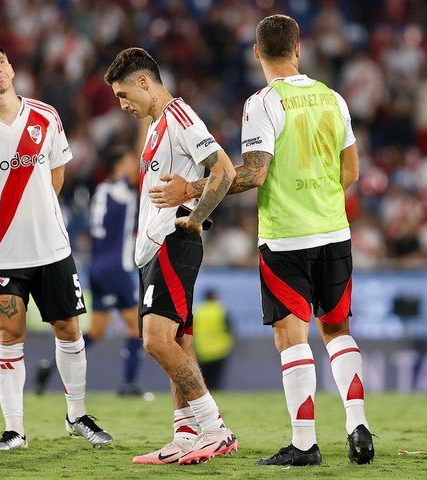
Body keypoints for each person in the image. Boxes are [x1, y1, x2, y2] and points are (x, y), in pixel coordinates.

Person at [149, 14, 374, 466]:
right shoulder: (333, 98)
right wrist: (318, 197)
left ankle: (305, 444)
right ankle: (357, 423)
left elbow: (253, 173)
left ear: (256, 53)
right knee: (337, 331)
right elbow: (350, 172)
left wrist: (192, 190)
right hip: (334, 231)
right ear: (298, 49)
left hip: (286, 237)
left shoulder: (263, 103)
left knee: (292, 339)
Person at [0, 40, 112, 451]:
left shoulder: (46, 117)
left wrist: (36, 217)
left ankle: (77, 415)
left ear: (12, 69)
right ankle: (14, 429)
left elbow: (56, 177)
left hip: (52, 248)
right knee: (9, 333)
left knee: (69, 329)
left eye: (1, 62)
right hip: (4, 253)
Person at [104, 47, 238, 465]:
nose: (123, 105)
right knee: (179, 341)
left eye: (125, 95)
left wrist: (196, 217)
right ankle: (183, 434)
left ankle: (215, 428)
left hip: (172, 241)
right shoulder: (156, 125)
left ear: (144, 82)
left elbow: (224, 170)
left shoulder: (180, 116)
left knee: (155, 341)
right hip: (152, 248)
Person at [34, 146, 143, 396]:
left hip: (97, 266)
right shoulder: (121, 189)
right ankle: (129, 384)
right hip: (117, 267)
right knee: (136, 327)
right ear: (118, 167)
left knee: (97, 330)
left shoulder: (102, 191)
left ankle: (50, 366)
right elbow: (140, 172)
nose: (133, 165)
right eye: (128, 160)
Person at [192, 289, 234, 390]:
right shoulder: (221, 310)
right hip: (220, 349)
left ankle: (204, 398)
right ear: (214, 296)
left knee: (203, 378)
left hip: (201, 348)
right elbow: (229, 328)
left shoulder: (197, 310)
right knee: (216, 378)